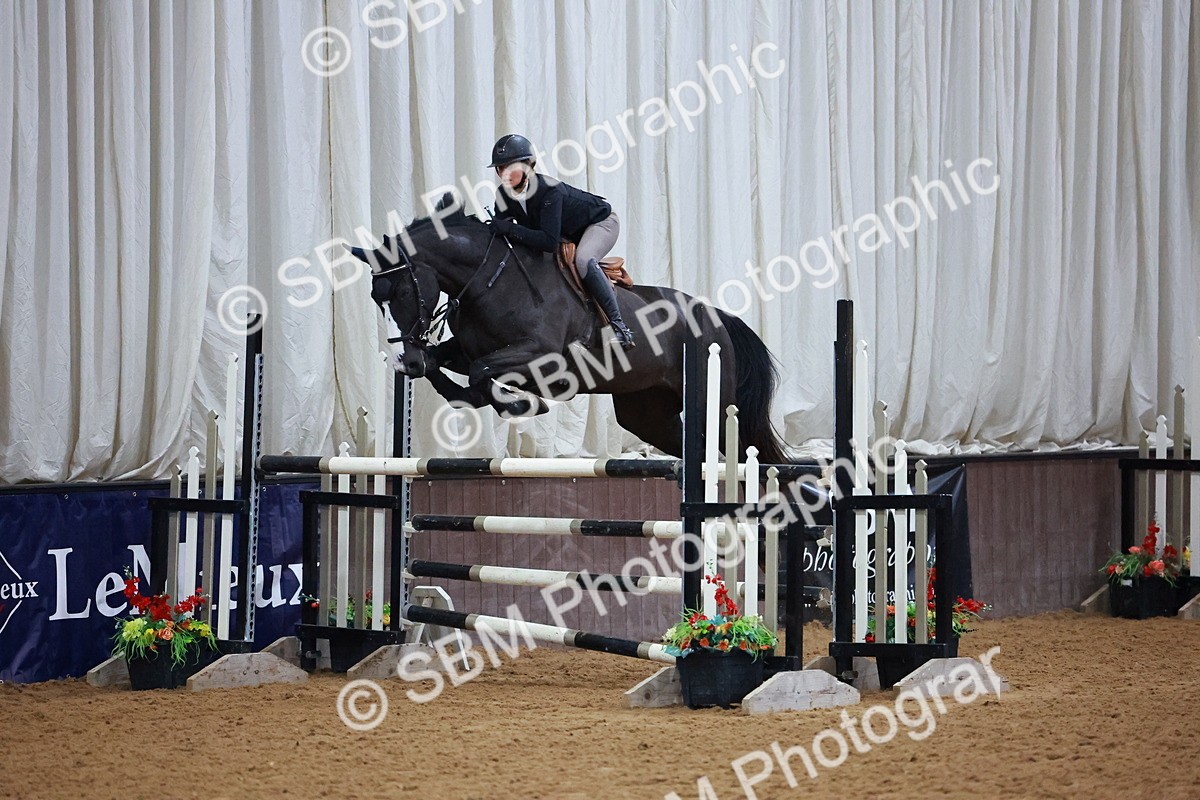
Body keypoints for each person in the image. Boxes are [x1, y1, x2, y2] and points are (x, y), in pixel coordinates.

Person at [488, 133, 635, 349]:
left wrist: (509, 228)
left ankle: (620, 328)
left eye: (511, 167)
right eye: (500, 168)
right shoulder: (503, 194)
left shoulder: (549, 191)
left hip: (600, 222)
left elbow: (548, 241)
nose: (505, 174)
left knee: (584, 260)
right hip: (567, 232)